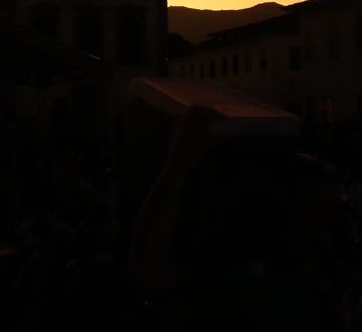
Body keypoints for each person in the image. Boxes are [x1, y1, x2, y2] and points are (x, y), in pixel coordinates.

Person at [130, 105, 344, 331]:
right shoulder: (229, 269)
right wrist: (177, 167)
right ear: (278, 209)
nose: (323, 240)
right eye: (312, 222)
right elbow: (148, 271)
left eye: (329, 228)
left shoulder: (304, 277)